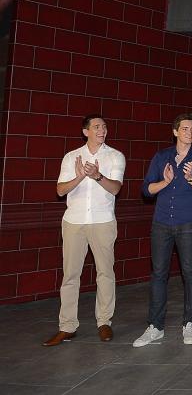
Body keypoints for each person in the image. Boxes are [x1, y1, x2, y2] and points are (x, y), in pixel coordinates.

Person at [43, 115, 126, 346]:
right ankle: (67, 326)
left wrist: (97, 176)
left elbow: (116, 188)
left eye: (105, 127)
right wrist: (80, 176)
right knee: (70, 275)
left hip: (103, 221)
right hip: (74, 222)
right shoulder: (71, 157)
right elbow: (60, 190)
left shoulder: (115, 156)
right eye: (97, 127)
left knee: (105, 273)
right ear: (85, 131)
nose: (102, 130)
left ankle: (104, 322)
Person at [133, 114, 192, 347]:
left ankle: (190, 323)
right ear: (175, 131)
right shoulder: (161, 157)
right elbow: (147, 189)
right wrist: (166, 182)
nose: (190, 132)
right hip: (161, 223)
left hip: (188, 222)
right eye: (185, 128)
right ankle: (155, 326)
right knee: (159, 274)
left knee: (190, 272)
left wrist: (190, 178)